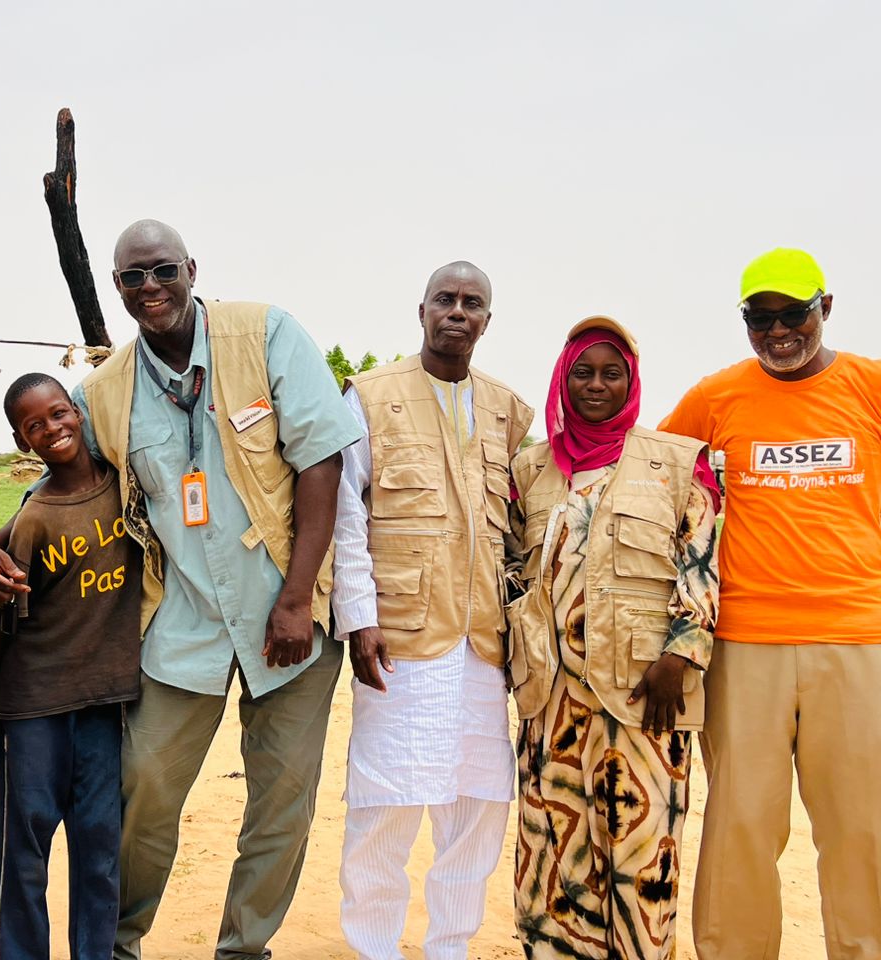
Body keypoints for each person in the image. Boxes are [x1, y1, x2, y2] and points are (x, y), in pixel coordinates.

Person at [0, 219, 361, 960]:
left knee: (281, 804)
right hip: (182, 625)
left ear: (190, 267)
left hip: (292, 621)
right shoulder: (105, 392)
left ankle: (243, 948)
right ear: (118, 290)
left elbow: (321, 463)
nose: (150, 288)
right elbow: (69, 478)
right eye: (132, 278)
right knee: (144, 788)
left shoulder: (268, 334)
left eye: (161, 271)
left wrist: (296, 599)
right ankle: (117, 943)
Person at [660, 248, 881, 960]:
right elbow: (653, 481)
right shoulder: (715, 397)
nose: (779, 331)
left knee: (862, 827)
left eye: (795, 314)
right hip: (743, 644)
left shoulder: (870, 387)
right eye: (761, 319)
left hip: (859, 638)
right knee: (741, 825)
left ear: (828, 308)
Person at [331, 261, 532, 959]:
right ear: (419, 311)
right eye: (444, 299)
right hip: (400, 637)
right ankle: (374, 945)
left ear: (486, 320)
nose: (457, 311)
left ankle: (451, 945)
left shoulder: (508, 408)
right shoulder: (370, 396)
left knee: (476, 804)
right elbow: (345, 515)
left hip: (482, 643)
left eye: (471, 302)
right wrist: (358, 618)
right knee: (384, 803)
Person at [507, 316, 720, 959]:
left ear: (631, 382)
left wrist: (681, 655)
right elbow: (514, 564)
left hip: (645, 696)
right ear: (562, 377)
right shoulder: (532, 469)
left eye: (611, 374)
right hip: (553, 704)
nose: (595, 386)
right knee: (553, 852)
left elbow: (702, 562)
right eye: (582, 372)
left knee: (641, 851)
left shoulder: (678, 462)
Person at [0, 372, 142, 960]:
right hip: (33, 707)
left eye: (59, 412)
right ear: (24, 442)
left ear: (78, 410)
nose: (53, 428)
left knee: (99, 853)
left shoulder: (127, 484)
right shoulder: (35, 516)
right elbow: (2, 623)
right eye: (35, 426)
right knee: (24, 851)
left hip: (104, 702)